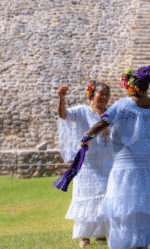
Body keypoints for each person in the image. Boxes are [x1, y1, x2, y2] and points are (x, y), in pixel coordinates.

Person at [81, 66, 150, 249]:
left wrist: (86, 137)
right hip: (149, 161)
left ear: (132, 85)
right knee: (144, 202)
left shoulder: (123, 105)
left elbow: (103, 122)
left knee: (124, 203)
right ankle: (141, 242)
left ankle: (124, 242)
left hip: (127, 161)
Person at [57, 81, 114, 247]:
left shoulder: (111, 113)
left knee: (105, 197)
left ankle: (102, 233)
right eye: (100, 93)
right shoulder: (82, 111)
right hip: (87, 164)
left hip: (107, 162)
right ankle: (84, 235)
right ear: (92, 94)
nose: (103, 97)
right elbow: (63, 115)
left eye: (106, 94)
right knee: (86, 198)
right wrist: (61, 98)